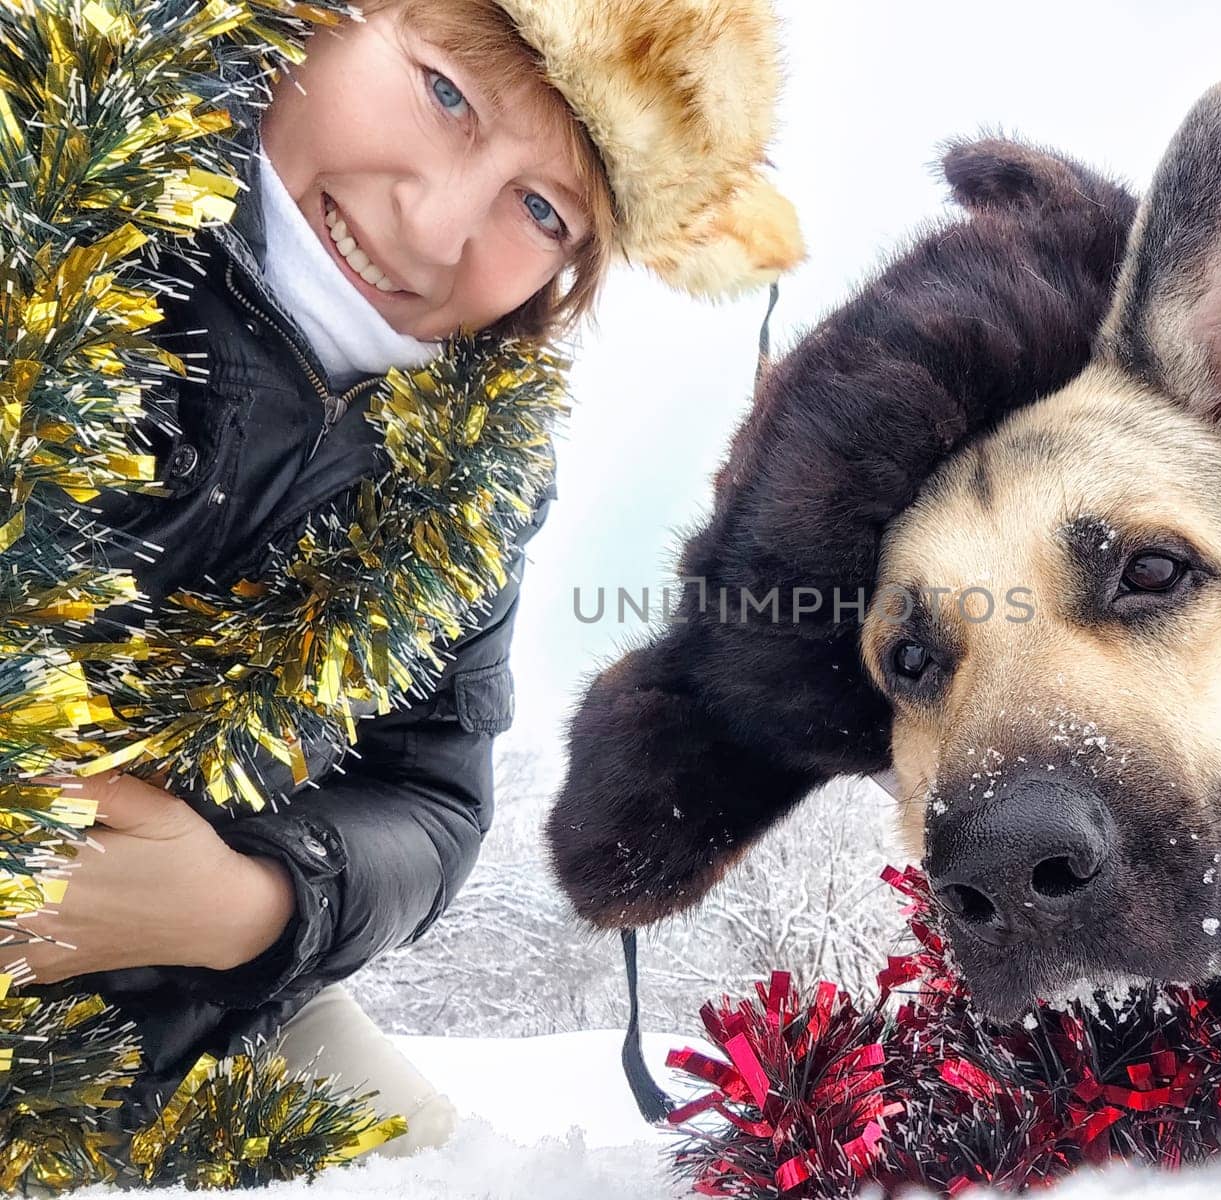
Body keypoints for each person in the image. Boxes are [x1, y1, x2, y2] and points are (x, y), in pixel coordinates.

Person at [20, 0, 801, 1156]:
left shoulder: (465, 483)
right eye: (444, 92)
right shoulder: (38, 164)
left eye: (542, 210)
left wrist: (252, 907)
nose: (435, 233)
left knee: (455, 1166)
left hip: (211, 1004)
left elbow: (432, 794)